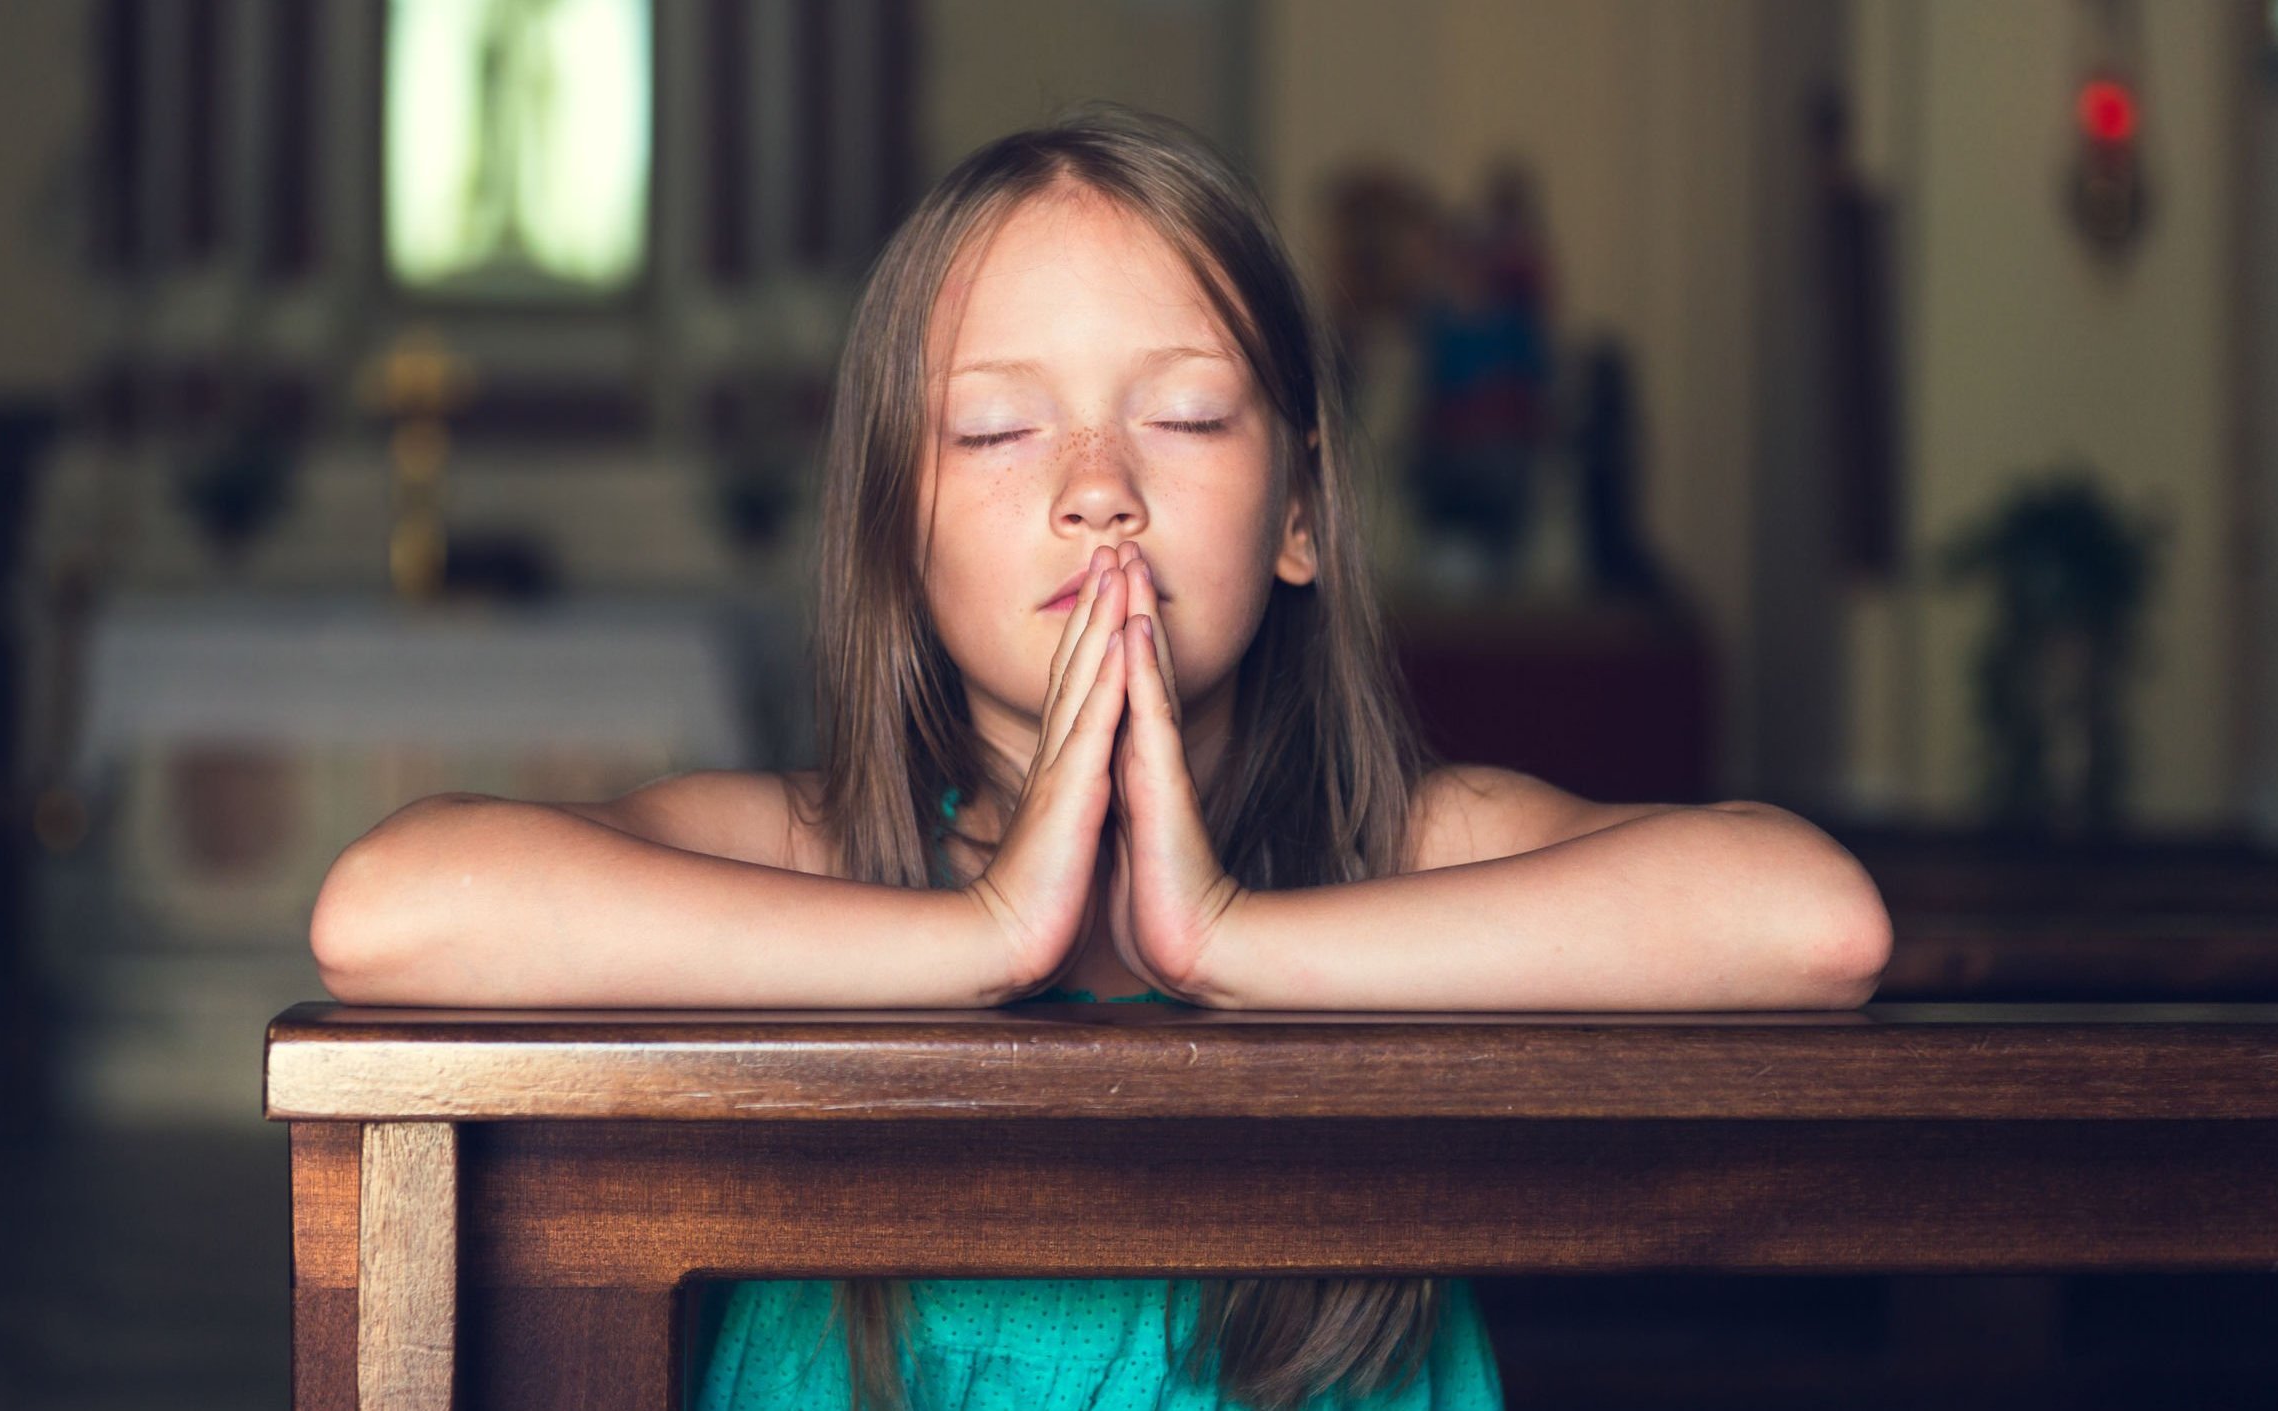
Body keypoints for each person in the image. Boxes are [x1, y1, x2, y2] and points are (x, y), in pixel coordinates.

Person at [308, 102, 1893, 1411]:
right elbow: (390, 911)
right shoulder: (801, 855)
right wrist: (980, 934)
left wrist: (1235, 940)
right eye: (998, 431)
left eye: (1188, 416)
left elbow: (1811, 922)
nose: (1095, 489)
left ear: (1295, 513)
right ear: (892, 532)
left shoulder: (1402, 851)